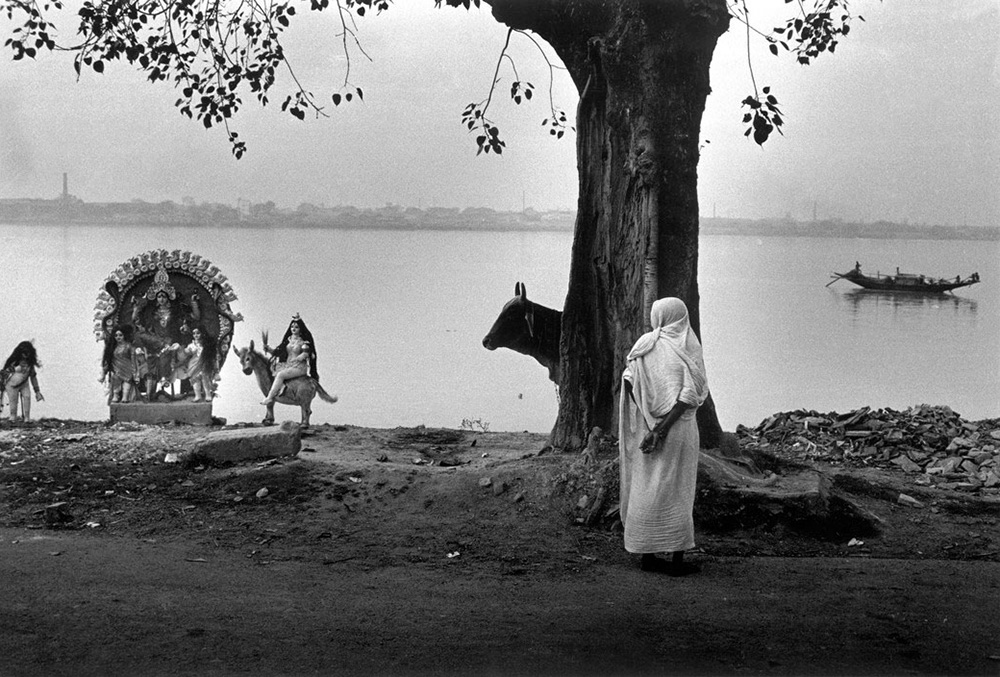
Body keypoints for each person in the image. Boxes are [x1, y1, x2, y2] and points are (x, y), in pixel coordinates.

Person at [618, 297, 709, 576]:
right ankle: (677, 562)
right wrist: (662, 430)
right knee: (678, 490)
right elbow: (688, 396)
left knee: (649, 487)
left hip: (649, 427)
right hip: (678, 429)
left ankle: (647, 556)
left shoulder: (643, 345)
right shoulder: (687, 346)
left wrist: (650, 422)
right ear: (682, 317)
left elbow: (629, 380)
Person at [1, 341, 45, 422]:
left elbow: (33, 377)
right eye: (24, 353)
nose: (25, 356)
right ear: (20, 353)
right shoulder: (14, 362)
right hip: (11, 385)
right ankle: (13, 417)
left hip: (24, 384)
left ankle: (27, 418)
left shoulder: (30, 365)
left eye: (27, 353)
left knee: (27, 397)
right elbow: (4, 373)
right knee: (13, 400)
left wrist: (37, 391)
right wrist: (13, 370)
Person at [174, 326, 218, 402]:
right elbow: (185, 354)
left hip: (204, 363)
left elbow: (213, 356)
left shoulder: (207, 344)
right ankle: (197, 395)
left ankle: (208, 394)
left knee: (205, 379)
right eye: (194, 333)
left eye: (198, 333)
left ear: (202, 333)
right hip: (194, 364)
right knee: (194, 380)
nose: (196, 335)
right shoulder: (192, 345)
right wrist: (179, 349)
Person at [100, 325, 140, 403]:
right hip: (116, 368)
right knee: (116, 382)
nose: (118, 337)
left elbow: (133, 360)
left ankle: (125, 397)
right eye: (116, 335)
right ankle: (116, 396)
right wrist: (104, 372)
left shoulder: (129, 346)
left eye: (120, 335)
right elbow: (108, 360)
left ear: (124, 335)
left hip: (127, 368)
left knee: (127, 382)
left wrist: (136, 375)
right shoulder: (112, 347)